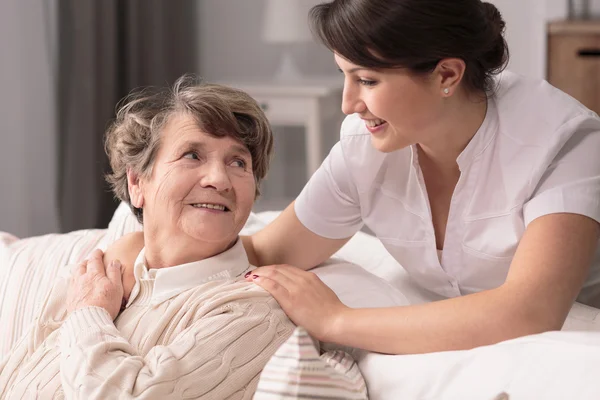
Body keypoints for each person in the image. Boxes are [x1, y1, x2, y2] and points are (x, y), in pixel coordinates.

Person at [107, 0, 600, 356]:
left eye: (367, 80)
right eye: (345, 76)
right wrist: (142, 253)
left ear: (447, 74)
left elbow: (531, 312)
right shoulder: (367, 147)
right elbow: (267, 252)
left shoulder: (564, 142)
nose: (348, 103)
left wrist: (338, 320)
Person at [0, 76, 295, 399]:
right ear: (138, 182)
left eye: (238, 162)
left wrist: (88, 314)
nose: (219, 179)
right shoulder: (96, 277)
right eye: (192, 155)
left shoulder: (250, 314)